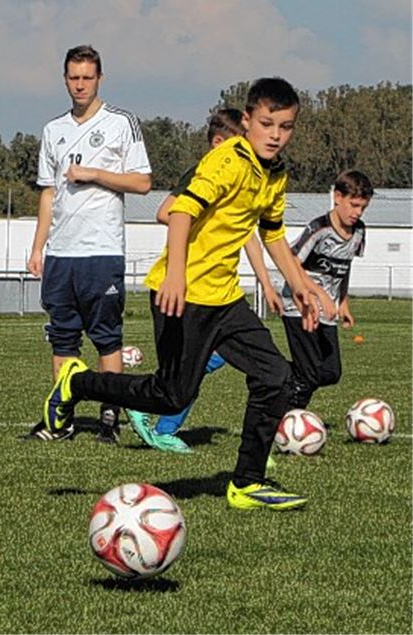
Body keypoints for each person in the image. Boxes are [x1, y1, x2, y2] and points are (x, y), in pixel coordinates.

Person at [42, 78, 336, 510]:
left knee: (275, 377)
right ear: (248, 121)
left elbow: (272, 234)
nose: (276, 134)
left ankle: (247, 484)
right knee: (171, 395)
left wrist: (300, 283)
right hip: (182, 295)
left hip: (225, 299)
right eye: (267, 123)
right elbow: (179, 212)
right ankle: (77, 382)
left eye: (286, 126)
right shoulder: (227, 161)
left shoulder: (275, 172)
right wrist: (176, 275)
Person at [125, 108, 285, 454]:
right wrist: (195, 230)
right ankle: (156, 413)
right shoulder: (205, 170)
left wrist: (267, 283)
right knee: (195, 367)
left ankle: (164, 418)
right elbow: (166, 211)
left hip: (219, 290)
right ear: (220, 142)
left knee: (221, 360)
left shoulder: (245, 178)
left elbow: (251, 237)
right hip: (191, 287)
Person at [26, 45, 152, 443]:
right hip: (61, 254)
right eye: (73, 77)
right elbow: (48, 192)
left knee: (106, 337)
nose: (80, 85)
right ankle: (59, 421)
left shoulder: (121, 123)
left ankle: (108, 420)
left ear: (99, 78)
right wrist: (37, 247)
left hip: (101, 250)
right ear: (65, 79)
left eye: (87, 77)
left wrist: (95, 173)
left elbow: (142, 182)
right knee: (63, 337)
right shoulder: (53, 130)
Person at [280, 170, 372, 410]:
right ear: (337, 197)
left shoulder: (359, 232)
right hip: (299, 305)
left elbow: (345, 267)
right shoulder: (319, 228)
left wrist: (343, 303)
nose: (357, 213)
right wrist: (319, 295)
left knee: (331, 372)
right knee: (309, 373)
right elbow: (291, 261)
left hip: (328, 310)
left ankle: (275, 376)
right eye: (353, 206)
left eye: (363, 207)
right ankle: (290, 418)